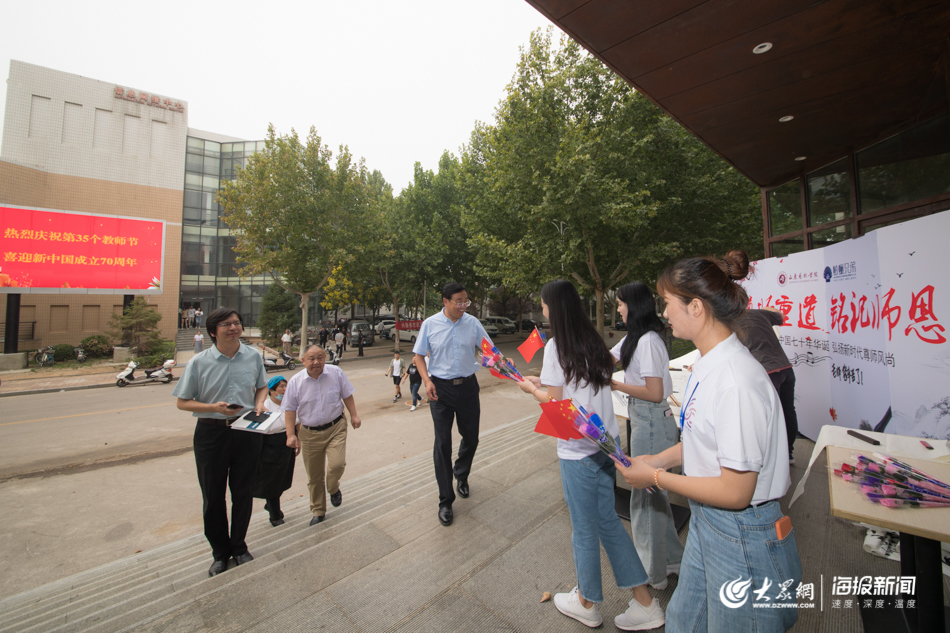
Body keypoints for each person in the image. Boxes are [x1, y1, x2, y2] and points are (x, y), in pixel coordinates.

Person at [617, 251, 801, 633]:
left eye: (668, 303)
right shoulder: (707, 365)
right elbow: (704, 440)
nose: (664, 313)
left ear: (696, 307)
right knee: (685, 621)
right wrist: (659, 459)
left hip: (742, 534)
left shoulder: (735, 381)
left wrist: (654, 479)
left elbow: (735, 492)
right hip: (708, 522)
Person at [515, 279, 665, 630]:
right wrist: (543, 382)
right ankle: (644, 603)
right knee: (608, 524)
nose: (543, 310)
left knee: (584, 531)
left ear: (555, 307)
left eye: (544, 304)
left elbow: (557, 404)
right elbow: (576, 387)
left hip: (577, 452)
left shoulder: (556, 347)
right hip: (605, 448)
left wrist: (529, 389)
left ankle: (587, 602)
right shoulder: (594, 342)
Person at [172, 307, 268, 577]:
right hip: (211, 433)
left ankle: (239, 546)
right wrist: (213, 406)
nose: (233, 328)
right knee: (213, 496)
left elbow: (262, 385)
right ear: (213, 331)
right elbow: (182, 402)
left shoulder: (252, 356)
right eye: (226, 324)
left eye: (236, 323)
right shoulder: (199, 362)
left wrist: (260, 402)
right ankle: (219, 553)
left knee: (243, 492)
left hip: (246, 430)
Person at [609, 281, 684, 590]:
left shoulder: (649, 341)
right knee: (654, 497)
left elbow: (655, 392)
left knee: (644, 497)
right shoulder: (633, 338)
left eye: (621, 303)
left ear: (634, 305)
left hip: (652, 420)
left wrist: (616, 385)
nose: (618, 308)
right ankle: (671, 560)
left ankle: (651, 574)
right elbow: (604, 359)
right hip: (643, 419)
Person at [413, 282, 491, 527]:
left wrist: (501, 362)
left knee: (472, 437)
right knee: (442, 444)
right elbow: (418, 356)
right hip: (440, 390)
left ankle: (462, 474)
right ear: (445, 301)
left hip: (468, 386)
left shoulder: (473, 323)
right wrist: (426, 381)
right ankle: (445, 501)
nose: (463, 305)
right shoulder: (430, 324)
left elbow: (489, 350)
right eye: (458, 301)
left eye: (465, 301)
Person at [283, 345, 362, 525]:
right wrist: (290, 435)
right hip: (309, 434)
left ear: (325, 357)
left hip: (336, 426)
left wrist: (354, 415)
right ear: (303, 361)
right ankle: (318, 510)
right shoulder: (295, 382)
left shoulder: (336, 373)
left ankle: (333, 488)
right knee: (314, 475)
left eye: (320, 357)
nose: (316, 362)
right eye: (311, 358)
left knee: (336, 465)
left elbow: (347, 394)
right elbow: (289, 409)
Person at [254, 375, 295, 527]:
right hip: (268, 446)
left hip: (285, 443)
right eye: (281, 387)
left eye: (286, 386)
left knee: (283, 479)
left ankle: (270, 503)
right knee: (272, 481)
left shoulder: (289, 404)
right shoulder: (264, 406)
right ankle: (275, 514)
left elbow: (297, 423)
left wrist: (297, 441)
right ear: (271, 391)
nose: (284, 390)